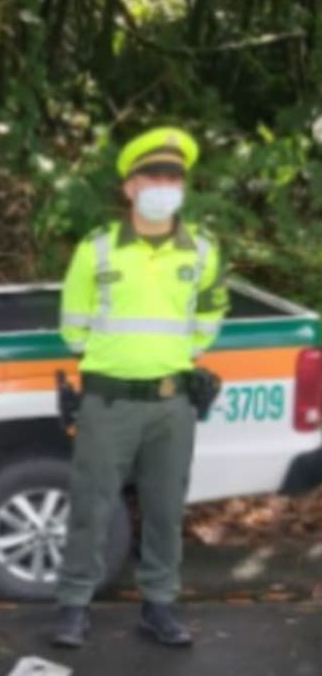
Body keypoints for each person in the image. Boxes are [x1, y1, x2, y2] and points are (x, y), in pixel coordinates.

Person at [53, 127, 229, 649]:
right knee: (90, 506)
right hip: (108, 402)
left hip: (171, 404)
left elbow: (212, 311)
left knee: (165, 510)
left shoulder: (201, 249)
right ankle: (73, 608)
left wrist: (174, 358)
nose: (164, 186)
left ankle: (159, 606)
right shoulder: (98, 249)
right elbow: (73, 325)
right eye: (153, 176)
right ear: (130, 187)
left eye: (173, 178)